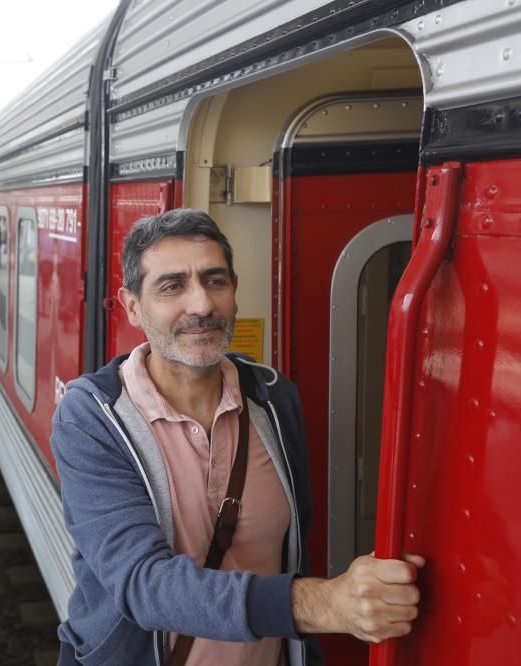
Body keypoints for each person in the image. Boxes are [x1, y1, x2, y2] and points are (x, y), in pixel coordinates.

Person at [51, 209, 424, 666]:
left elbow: (290, 551)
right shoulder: (93, 417)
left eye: (215, 281)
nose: (202, 305)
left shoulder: (273, 400)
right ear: (132, 306)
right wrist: (325, 604)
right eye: (172, 286)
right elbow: (143, 584)